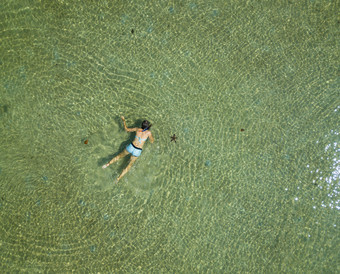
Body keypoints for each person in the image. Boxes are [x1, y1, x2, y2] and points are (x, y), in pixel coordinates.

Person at [102, 116, 154, 182]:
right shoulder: (148, 133)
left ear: (141, 125)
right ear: (147, 126)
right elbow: (152, 141)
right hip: (137, 151)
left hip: (131, 146)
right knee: (129, 166)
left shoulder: (137, 129)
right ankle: (118, 178)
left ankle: (107, 164)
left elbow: (126, 129)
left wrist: (123, 120)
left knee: (119, 156)